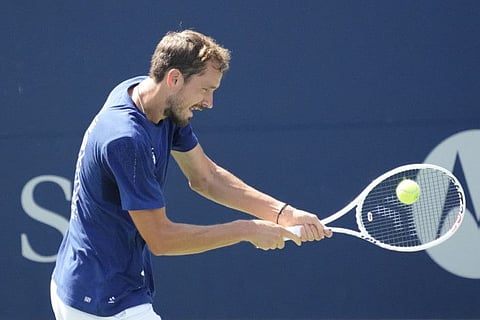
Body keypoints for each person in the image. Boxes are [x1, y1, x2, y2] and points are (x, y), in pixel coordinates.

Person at [50, 29, 332, 320]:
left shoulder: (152, 98)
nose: (209, 103)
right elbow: (161, 239)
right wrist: (246, 230)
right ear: (174, 79)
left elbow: (206, 177)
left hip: (93, 282)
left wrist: (283, 213)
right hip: (99, 303)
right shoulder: (126, 139)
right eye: (205, 89)